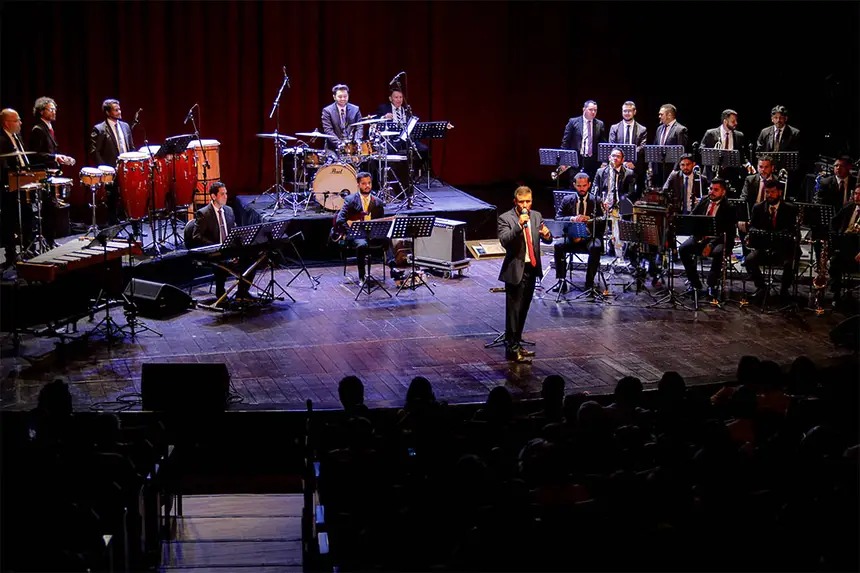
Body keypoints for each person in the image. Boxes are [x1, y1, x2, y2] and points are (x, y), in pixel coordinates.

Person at [497, 186, 552, 362]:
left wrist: (547, 235)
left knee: (523, 310)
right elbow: (505, 241)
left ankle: (517, 343)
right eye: (522, 202)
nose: (525, 205)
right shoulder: (505, 218)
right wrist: (519, 225)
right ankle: (512, 348)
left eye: (528, 201)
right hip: (515, 270)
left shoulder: (536, 216)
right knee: (513, 311)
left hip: (532, 269)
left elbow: (547, 238)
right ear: (515, 202)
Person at [332, 171, 404, 282]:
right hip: (356, 234)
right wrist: (351, 230)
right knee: (361, 244)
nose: (367, 186)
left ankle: (393, 268)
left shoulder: (377, 202)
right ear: (358, 185)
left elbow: (380, 223)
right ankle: (362, 276)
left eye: (369, 183)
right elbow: (340, 220)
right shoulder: (350, 200)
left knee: (386, 238)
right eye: (364, 183)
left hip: (372, 233)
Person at [191, 182, 256, 302]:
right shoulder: (203, 214)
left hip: (229, 250)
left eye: (226, 193)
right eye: (222, 194)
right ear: (213, 196)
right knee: (222, 262)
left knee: (252, 258)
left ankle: (242, 293)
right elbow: (197, 236)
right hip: (214, 252)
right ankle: (220, 293)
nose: (226, 196)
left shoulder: (229, 210)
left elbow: (234, 232)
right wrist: (217, 246)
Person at [678, 178, 737, 299]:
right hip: (701, 237)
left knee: (718, 252)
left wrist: (710, 244)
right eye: (710, 189)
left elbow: (727, 232)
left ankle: (712, 285)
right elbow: (692, 217)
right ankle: (695, 284)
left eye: (716, 190)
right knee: (683, 249)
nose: (711, 192)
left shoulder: (729, 207)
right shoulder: (704, 200)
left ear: (723, 192)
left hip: (719, 239)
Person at [742, 179, 800, 303]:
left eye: (772, 192)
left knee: (789, 263)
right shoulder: (758, 207)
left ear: (779, 192)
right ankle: (762, 287)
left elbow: (794, 231)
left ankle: (784, 290)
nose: (769, 195)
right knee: (749, 260)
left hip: (784, 247)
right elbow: (752, 227)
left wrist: (783, 235)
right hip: (764, 246)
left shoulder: (790, 209)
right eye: (767, 192)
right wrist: (758, 232)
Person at [29, 97, 75, 248]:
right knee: (48, 210)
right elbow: (35, 154)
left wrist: (61, 159)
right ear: (41, 111)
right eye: (51, 109)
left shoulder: (48, 127)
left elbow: (50, 151)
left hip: (51, 173)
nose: (54, 112)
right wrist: (55, 157)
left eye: (55, 109)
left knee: (52, 209)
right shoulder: (38, 129)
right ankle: (48, 241)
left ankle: (50, 240)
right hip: (42, 175)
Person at [553, 172, 605, 293]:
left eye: (584, 185)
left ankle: (589, 283)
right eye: (579, 186)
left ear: (589, 185)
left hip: (590, 236)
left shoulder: (596, 200)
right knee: (558, 245)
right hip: (572, 236)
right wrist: (572, 218)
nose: (582, 189)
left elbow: (603, 221)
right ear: (574, 185)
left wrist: (589, 220)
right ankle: (561, 281)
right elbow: (558, 218)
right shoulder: (567, 199)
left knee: (596, 247)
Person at [89, 98, 134, 224]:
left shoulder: (125, 126)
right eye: (116, 110)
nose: (119, 112)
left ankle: (134, 224)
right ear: (108, 112)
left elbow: (131, 147)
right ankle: (113, 224)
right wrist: (105, 170)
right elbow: (95, 151)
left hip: (127, 168)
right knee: (112, 198)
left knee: (130, 196)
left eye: (119, 109)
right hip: (110, 169)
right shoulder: (99, 129)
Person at [1, 108, 33, 266]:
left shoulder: (17, 136)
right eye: (16, 120)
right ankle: (11, 254)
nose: (20, 123)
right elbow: (4, 165)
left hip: (23, 181)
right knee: (9, 220)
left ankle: (28, 247)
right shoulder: (1, 139)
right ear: (7, 123)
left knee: (28, 214)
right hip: (8, 185)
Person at [593, 147, 637, 257]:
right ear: (609, 158)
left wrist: (618, 202)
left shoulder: (629, 173)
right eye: (613, 156)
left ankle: (618, 249)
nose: (615, 158)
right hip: (603, 205)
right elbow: (594, 190)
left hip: (620, 206)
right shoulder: (600, 172)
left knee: (618, 218)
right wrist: (601, 202)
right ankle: (599, 248)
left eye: (618, 156)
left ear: (622, 160)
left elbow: (631, 193)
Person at [698, 109, 755, 193]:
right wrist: (714, 153)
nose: (736, 123)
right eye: (733, 121)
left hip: (731, 174)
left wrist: (747, 164)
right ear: (725, 121)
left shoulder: (739, 135)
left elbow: (741, 155)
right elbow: (701, 149)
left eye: (736, 120)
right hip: (713, 173)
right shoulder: (710, 133)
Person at [739, 155, 778, 256]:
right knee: (741, 224)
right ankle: (747, 255)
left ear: (772, 168)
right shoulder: (750, 179)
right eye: (761, 167)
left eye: (766, 167)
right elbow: (743, 198)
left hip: (770, 214)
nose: (763, 170)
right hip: (753, 213)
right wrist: (743, 217)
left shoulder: (778, 181)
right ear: (757, 167)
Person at [828, 184, 860, 307]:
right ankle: (836, 294)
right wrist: (834, 235)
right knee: (835, 261)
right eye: (856, 194)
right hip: (845, 246)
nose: (857, 197)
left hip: (858, 249)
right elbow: (834, 221)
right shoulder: (849, 206)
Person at [560, 99, 606, 181]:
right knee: (575, 184)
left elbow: (602, 143)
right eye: (590, 109)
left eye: (595, 110)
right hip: (576, 160)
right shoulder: (573, 122)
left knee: (592, 184)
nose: (593, 112)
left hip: (593, 162)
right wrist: (563, 160)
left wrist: (604, 161)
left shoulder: (600, 124)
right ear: (584, 109)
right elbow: (565, 142)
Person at [608, 100, 648, 185]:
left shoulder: (642, 129)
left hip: (635, 167)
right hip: (618, 166)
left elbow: (642, 148)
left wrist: (632, 161)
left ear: (634, 112)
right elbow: (612, 146)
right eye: (624, 111)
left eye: (629, 111)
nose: (627, 113)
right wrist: (623, 162)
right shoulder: (614, 128)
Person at [650, 103, 689, 187]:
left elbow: (681, 153)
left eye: (661, 114)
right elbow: (654, 148)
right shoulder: (659, 129)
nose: (659, 116)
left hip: (672, 170)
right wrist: (651, 167)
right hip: (658, 170)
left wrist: (675, 170)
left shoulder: (680, 130)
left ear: (669, 115)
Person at [321, 84, 364, 154]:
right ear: (334, 97)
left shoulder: (355, 109)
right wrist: (341, 145)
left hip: (351, 146)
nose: (343, 99)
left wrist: (357, 141)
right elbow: (328, 130)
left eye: (345, 96)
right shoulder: (327, 111)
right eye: (340, 97)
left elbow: (359, 127)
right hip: (333, 147)